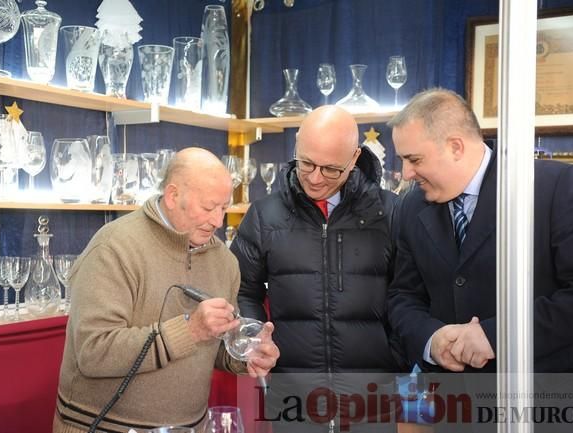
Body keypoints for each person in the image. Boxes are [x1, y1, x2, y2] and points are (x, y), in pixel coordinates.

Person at [388, 88, 573, 430]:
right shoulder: (411, 207)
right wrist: (433, 339)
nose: (406, 173)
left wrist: (496, 336)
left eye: (414, 159)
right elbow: (403, 297)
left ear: (455, 146)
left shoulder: (553, 187)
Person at [53, 147, 280, 433]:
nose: (218, 221)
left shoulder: (224, 262)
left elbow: (215, 346)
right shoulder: (113, 248)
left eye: (224, 208)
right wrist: (189, 330)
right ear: (173, 196)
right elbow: (93, 353)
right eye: (208, 208)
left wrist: (247, 353)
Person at [230, 106, 406, 433]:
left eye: (330, 169)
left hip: (372, 399)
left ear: (354, 158)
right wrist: (255, 338)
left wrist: (392, 357)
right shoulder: (263, 216)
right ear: (296, 145)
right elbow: (241, 290)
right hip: (291, 401)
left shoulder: (391, 213)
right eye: (306, 163)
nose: (314, 177)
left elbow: (408, 294)